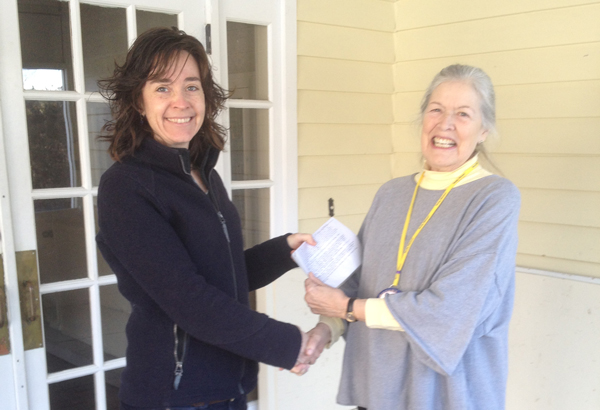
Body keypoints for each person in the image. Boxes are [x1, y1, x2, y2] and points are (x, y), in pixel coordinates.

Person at [96, 27, 314, 410]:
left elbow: (221, 273)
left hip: (228, 390)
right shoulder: (126, 188)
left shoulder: (203, 174)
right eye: (162, 88)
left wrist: (285, 250)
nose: (181, 101)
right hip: (173, 396)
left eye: (192, 86)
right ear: (138, 101)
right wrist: (288, 344)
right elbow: (189, 300)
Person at [301, 64, 520, 410]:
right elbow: (358, 279)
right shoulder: (392, 193)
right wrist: (326, 329)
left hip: (447, 394)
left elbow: (452, 310)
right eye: (436, 109)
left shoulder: (494, 198)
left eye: (463, 114)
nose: (445, 123)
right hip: (379, 388)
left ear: (483, 130)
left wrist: (346, 308)